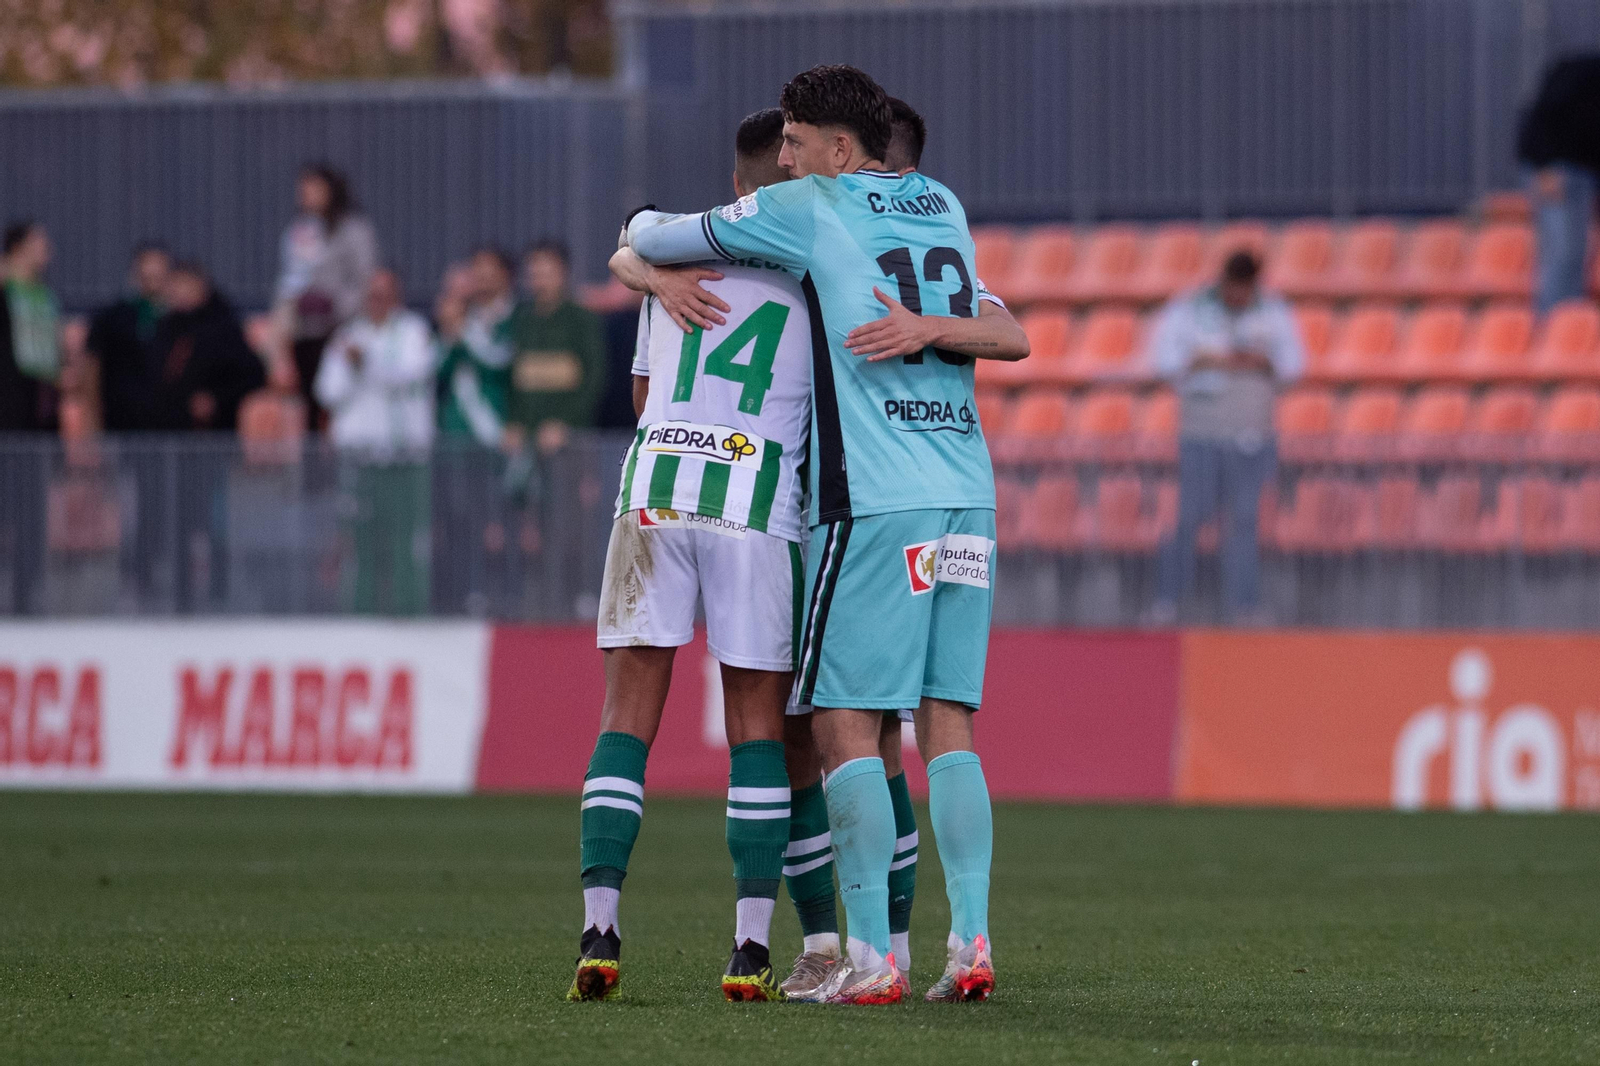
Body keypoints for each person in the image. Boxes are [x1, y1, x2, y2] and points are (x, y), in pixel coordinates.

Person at [626, 64, 1026, 1005]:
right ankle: (969, 944)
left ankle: (871, 957)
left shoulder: (808, 207)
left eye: (796, 143)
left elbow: (655, 233)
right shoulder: (944, 205)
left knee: (843, 716)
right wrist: (931, 324)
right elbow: (1007, 332)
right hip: (967, 492)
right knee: (946, 719)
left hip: (875, 501)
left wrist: (637, 257)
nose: (783, 159)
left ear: (838, 151)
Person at [568, 108, 808, 1005]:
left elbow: (641, 393)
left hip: (654, 489)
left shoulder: (668, 257)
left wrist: (648, 277)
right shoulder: (813, 273)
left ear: (736, 184)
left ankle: (600, 928)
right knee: (755, 727)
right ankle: (749, 947)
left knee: (626, 718)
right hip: (755, 502)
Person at [1150, 250, 1304, 624]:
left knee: (1245, 521)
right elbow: (1162, 361)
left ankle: (1243, 607)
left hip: (1252, 437)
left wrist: (1259, 361)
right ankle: (1169, 602)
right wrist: (1203, 361)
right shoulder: (1190, 309)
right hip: (1203, 436)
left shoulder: (1273, 312)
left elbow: (1296, 365)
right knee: (1189, 519)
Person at [315, 268, 436, 616]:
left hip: (405, 458)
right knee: (360, 543)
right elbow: (328, 391)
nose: (377, 302)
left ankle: (408, 613)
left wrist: (365, 364)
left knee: (406, 543)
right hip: (360, 459)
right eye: (372, 295)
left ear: (396, 297)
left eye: (384, 295)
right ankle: (359, 614)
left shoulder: (414, 332)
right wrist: (357, 371)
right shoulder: (347, 336)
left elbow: (411, 374)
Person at [149, 262, 268, 611]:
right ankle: (179, 596)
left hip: (211, 445)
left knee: (216, 524)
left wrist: (216, 400)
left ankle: (218, 591)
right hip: (171, 444)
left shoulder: (222, 327)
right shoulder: (166, 328)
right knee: (176, 523)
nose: (176, 293)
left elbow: (253, 374)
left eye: (183, 285)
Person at [275, 163, 379, 428]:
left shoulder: (353, 229)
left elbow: (364, 278)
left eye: (314, 189)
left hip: (340, 330)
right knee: (307, 403)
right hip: (304, 332)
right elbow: (289, 279)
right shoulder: (298, 231)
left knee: (338, 401)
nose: (306, 195)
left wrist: (335, 308)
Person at [0, 220, 59, 616]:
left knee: (31, 514)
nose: (48, 249)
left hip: (36, 420)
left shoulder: (43, 296)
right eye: (40, 242)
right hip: (6, 416)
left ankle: (26, 597)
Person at [505, 240, 607, 455]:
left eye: (547, 274)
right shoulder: (520, 318)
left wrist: (567, 424)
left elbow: (595, 377)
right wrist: (514, 421)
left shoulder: (581, 318)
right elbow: (513, 375)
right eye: (534, 275)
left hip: (570, 440)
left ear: (563, 274)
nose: (540, 282)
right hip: (524, 441)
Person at [1517, 53, 1600, 315]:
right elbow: (1542, 117)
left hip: (1584, 174)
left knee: (1578, 253)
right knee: (1564, 251)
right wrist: (1544, 166)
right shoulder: (1582, 73)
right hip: (1556, 168)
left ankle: (1569, 324)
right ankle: (1553, 325)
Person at [87, 242, 171, 432]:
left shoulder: (182, 321)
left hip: (169, 426)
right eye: (147, 275)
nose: (153, 281)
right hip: (121, 422)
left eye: (158, 275)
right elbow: (92, 367)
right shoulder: (113, 318)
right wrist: (92, 421)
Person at [435, 248, 514, 448]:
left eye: (489, 272)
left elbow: (501, 361)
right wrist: (448, 330)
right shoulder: (464, 316)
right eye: (477, 272)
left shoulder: (516, 317)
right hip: (456, 428)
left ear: (505, 275)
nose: (483, 279)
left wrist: (464, 330)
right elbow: (440, 369)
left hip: (499, 425)